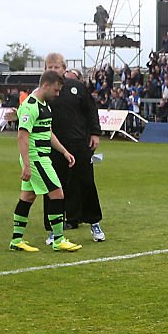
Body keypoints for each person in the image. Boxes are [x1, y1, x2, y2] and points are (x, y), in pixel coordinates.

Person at [8, 71, 82, 253]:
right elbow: (22, 136)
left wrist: (64, 151)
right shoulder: (30, 106)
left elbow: (47, 133)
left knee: (28, 197)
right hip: (36, 158)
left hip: (41, 156)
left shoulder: (44, 106)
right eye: (56, 90)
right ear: (46, 85)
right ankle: (58, 239)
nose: (57, 94)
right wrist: (26, 164)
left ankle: (16, 240)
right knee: (57, 194)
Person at [42, 54, 105, 245]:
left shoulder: (77, 88)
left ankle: (94, 223)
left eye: (56, 67)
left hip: (79, 144)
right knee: (53, 187)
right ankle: (54, 229)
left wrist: (95, 133)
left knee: (87, 183)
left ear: (64, 69)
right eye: (49, 68)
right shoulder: (42, 92)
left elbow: (91, 111)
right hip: (52, 146)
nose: (53, 71)